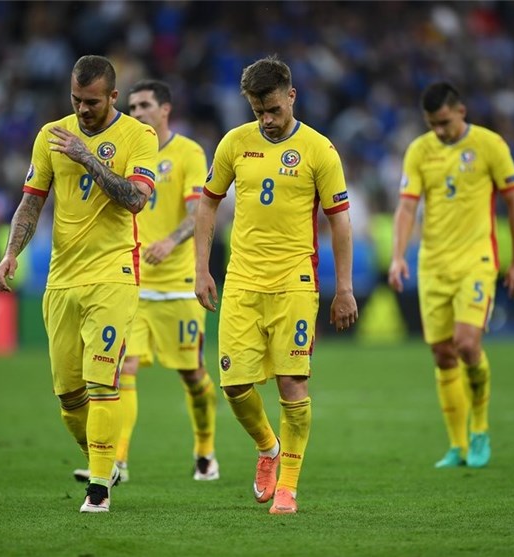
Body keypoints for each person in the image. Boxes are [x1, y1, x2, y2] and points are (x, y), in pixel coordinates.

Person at [194, 56, 358, 515]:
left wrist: (344, 288)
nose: (266, 119)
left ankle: (288, 486)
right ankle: (269, 447)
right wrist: (201, 269)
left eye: (273, 109)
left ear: (291, 96)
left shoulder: (319, 150)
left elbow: (340, 222)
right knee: (234, 385)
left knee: (292, 382)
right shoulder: (234, 142)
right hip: (242, 280)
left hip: (295, 280)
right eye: (257, 111)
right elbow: (207, 204)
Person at [0, 55, 158, 513]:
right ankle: (102, 461)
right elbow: (31, 203)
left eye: (92, 102)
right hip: (62, 279)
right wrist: (11, 252)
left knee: (102, 380)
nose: (83, 109)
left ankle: (99, 489)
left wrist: (87, 157)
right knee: (69, 396)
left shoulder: (139, 136)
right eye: (76, 100)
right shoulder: (51, 135)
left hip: (113, 273)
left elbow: (135, 200)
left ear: (113, 97)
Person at [74, 79, 219, 484]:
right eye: (132, 106)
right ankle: (117, 463)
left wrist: (170, 241)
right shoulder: (127, 148)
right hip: (131, 281)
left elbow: (199, 212)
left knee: (192, 374)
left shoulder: (188, 152)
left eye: (144, 106)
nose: (136, 113)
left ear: (165, 109)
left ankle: (205, 450)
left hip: (178, 284)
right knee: (125, 369)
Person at [388, 81, 514, 469]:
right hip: (433, 264)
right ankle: (457, 445)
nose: (439, 130)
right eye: (432, 124)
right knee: (442, 353)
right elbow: (406, 207)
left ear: (461, 112)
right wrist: (398, 256)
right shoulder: (419, 150)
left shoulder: (490, 145)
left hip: (476, 261)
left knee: (467, 344)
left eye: (445, 122)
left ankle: (480, 428)